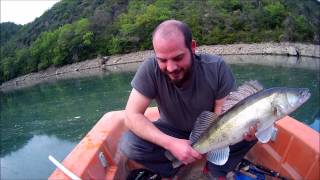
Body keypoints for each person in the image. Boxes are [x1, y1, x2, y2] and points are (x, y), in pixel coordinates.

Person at [119, 19, 257, 178]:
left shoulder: (217, 68)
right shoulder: (150, 69)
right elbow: (131, 116)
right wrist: (171, 143)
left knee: (253, 131)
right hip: (172, 131)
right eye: (162, 60)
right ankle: (174, 169)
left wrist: (246, 132)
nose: (171, 68)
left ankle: (214, 170)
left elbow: (223, 118)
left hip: (210, 130)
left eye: (178, 58)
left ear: (192, 47)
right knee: (129, 144)